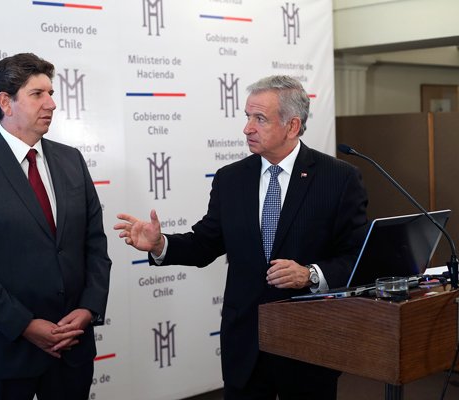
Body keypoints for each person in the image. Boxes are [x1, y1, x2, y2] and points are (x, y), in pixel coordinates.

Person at [114, 75, 368, 399]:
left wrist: (310, 274)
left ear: (292, 126)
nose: (247, 128)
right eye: (247, 117)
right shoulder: (231, 179)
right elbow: (205, 243)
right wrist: (161, 244)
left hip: (309, 343)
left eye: (259, 119)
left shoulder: (339, 178)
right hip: (245, 343)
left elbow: (358, 256)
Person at [0, 53, 111, 399]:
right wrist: (25, 325)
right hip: (2, 353)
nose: (52, 103)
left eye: (51, 92)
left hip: (70, 349)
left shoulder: (71, 159)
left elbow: (94, 244)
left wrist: (89, 308)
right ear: (6, 102)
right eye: (38, 94)